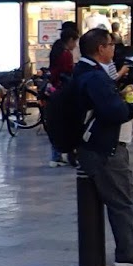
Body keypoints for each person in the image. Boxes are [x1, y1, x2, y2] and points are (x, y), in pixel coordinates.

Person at [71, 27, 133, 266]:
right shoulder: (95, 76)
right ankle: (128, 252)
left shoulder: (86, 71)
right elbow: (112, 111)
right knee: (121, 198)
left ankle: (132, 244)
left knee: (123, 195)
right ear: (101, 49)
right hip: (104, 147)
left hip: (100, 145)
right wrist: (132, 107)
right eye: (111, 45)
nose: (114, 49)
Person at [47, 24, 81, 166]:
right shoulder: (66, 54)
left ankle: (56, 156)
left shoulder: (56, 49)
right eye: (75, 41)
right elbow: (68, 71)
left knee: (57, 123)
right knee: (68, 123)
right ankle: (68, 155)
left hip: (54, 90)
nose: (75, 45)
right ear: (71, 40)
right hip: (64, 91)